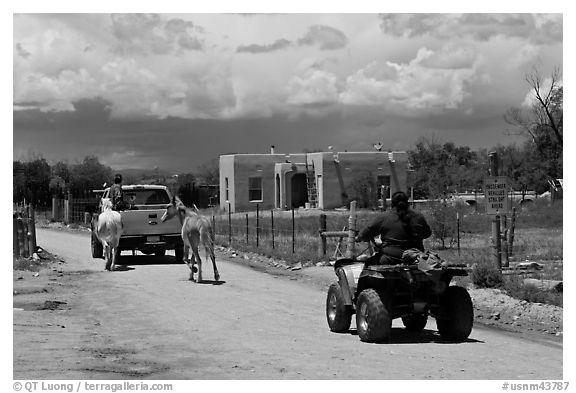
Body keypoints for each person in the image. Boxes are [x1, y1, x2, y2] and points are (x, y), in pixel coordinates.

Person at [356, 191, 432, 265]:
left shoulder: (384, 217)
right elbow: (427, 234)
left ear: (392, 204)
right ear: (407, 203)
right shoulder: (418, 217)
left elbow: (364, 234)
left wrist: (359, 237)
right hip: (415, 258)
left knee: (365, 264)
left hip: (390, 259)